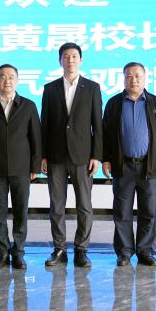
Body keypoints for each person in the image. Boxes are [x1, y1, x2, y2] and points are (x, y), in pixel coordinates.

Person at [40, 42, 103, 268]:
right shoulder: (50, 88)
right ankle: (59, 249)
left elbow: (97, 124)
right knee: (57, 206)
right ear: (60, 61)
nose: (70, 60)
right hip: (55, 156)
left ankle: (81, 250)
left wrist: (96, 155)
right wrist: (43, 155)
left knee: (84, 205)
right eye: (66, 56)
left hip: (83, 157)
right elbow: (45, 124)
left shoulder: (92, 87)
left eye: (74, 56)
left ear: (80, 60)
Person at [102, 62, 156, 267]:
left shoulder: (155, 103)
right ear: (123, 78)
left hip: (148, 166)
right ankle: (124, 251)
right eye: (129, 76)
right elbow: (105, 133)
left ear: (145, 77)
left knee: (148, 211)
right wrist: (106, 159)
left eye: (137, 75)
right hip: (123, 166)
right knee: (122, 211)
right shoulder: (114, 103)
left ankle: (145, 251)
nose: (133, 79)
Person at [0, 64, 41, 271]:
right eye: (2, 77)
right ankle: (2, 252)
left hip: (22, 169)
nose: (7, 80)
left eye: (11, 76)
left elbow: (36, 138)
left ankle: (18, 252)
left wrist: (35, 165)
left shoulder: (28, 105)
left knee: (21, 213)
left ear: (17, 80)